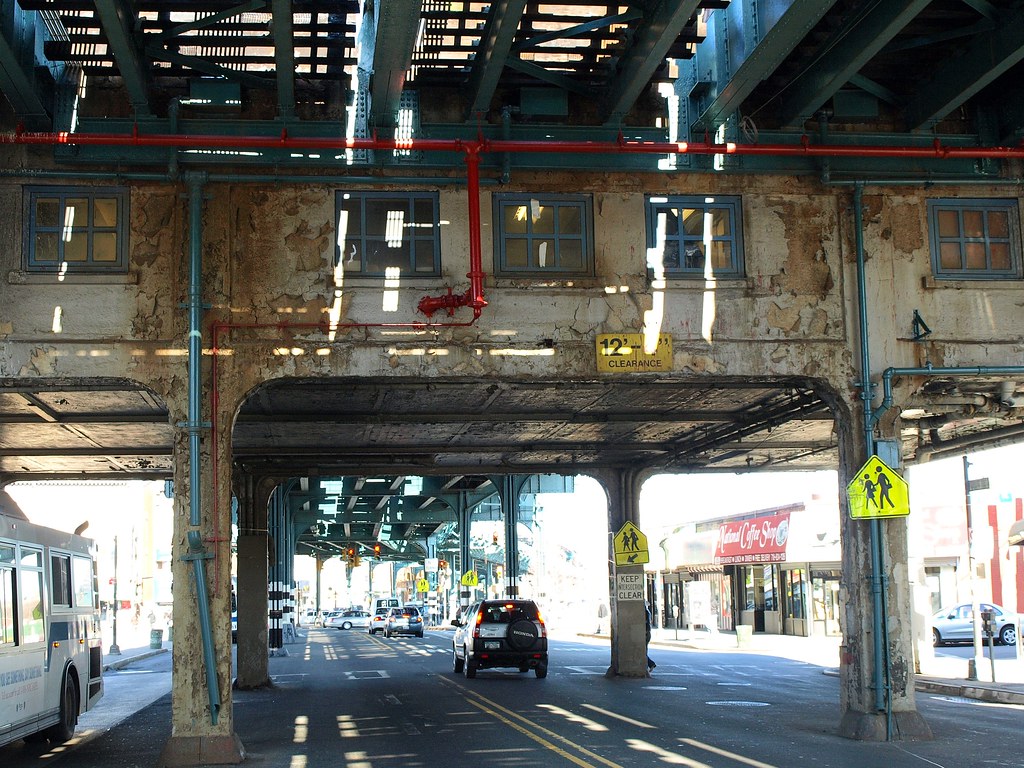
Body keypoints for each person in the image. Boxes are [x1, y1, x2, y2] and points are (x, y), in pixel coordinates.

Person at [645, 603, 656, 671]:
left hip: (645, 633)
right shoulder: (647, 612)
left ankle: (650, 664)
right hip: (647, 633)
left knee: (642, 651)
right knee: (643, 651)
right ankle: (650, 664)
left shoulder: (644, 612)